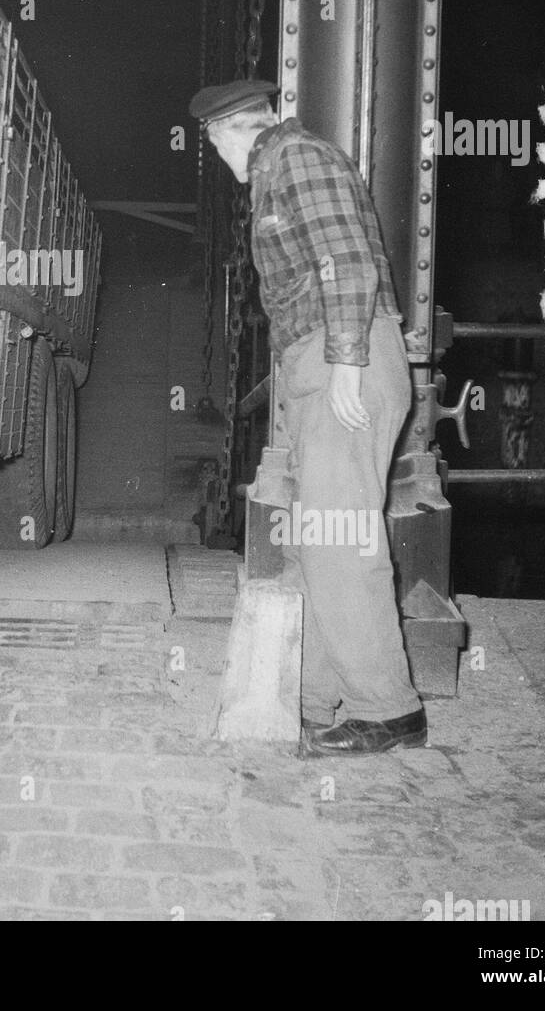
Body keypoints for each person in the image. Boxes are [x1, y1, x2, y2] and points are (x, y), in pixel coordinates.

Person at [190, 78, 426, 757]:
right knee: (321, 536)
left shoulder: (295, 157)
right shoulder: (280, 169)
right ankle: (317, 699)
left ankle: (388, 711)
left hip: (338, 358)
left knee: (341, 536)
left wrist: (347, 360)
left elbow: (346, 258)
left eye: (215, 144)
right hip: (317, 361)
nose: (221, 159)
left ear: (232, 130)